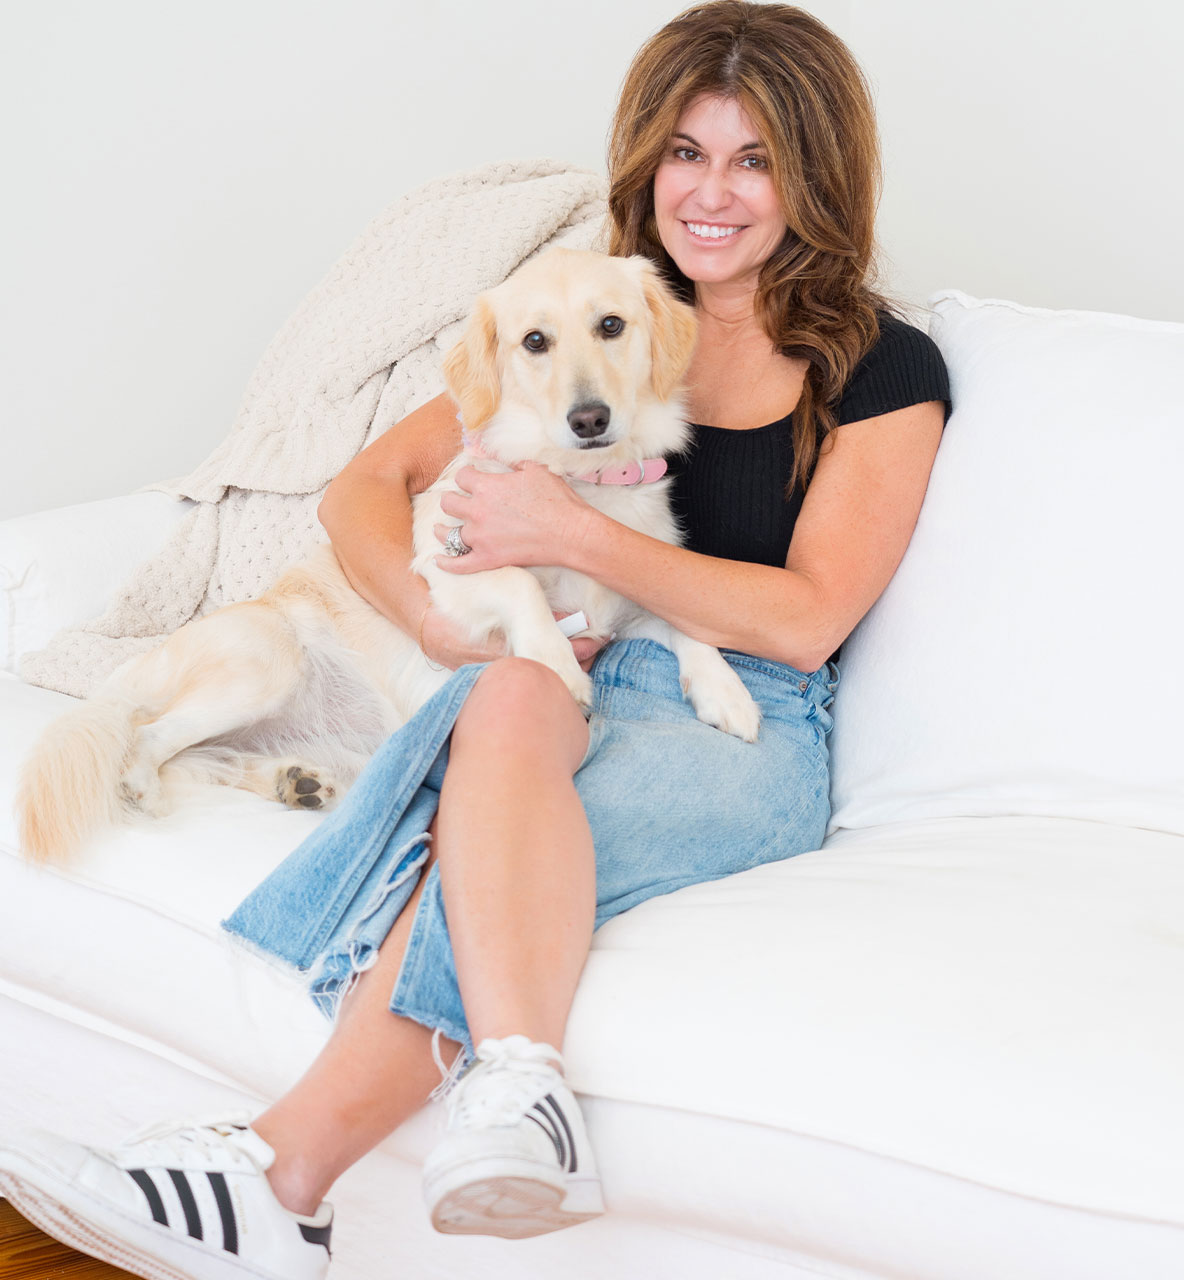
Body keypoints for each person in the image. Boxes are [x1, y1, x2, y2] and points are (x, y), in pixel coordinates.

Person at [0, 4, 950, 1277]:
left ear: (814, 174)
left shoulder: (881, 367)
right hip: (552, 672)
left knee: (477, 843)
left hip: (741, 712)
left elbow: (811, 611)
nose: (710, 192)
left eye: (754, 158)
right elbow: (356, 494)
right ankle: (518, 1083)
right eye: (683, 152)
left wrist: (577, 531)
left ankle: (282, 1174)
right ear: (642, 164)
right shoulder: (575, 313)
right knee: (505, 698)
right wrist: (439, 626)